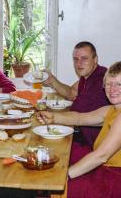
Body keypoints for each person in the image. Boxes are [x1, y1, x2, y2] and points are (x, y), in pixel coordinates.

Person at [37, 61, 121, 198]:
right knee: (62, 153)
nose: (113, 89)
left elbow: (101, 156)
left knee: (63, 187)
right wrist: (53, 117)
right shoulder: (111, 110)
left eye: (119, 84)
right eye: (109, 84)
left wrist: (66, 175)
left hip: (115, 176)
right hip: (105, 166)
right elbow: (80, 118)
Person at [44, 41, 109, 147]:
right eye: (76, 59)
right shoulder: (87, 76)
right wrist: (52, 81)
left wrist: (52, 116)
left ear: (95, 59)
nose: (79, 64)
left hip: (93, 144)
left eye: (84, 58)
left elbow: (77, 113)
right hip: (81, 134)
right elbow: (71, 92)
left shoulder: (101, 79)